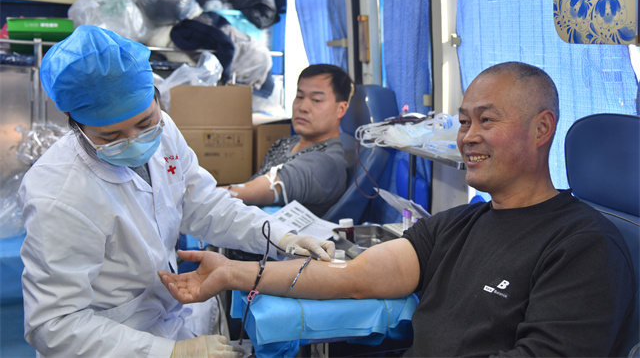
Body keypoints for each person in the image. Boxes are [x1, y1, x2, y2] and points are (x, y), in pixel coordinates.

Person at [159, 61, 636, 357]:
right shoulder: (458, 224)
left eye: (487, 121)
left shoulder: (584, 247)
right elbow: (354, 277)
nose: (468, 137)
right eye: (463, 121)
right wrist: (232, 273)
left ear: (542, 129)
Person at [18, 25, 334, 358]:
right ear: (75, 122)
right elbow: (53, 325)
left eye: (144, 122)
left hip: (167, 316)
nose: (135, 141)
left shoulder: (164, 131)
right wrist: (170, 353)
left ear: (156, 96)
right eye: (111, 137)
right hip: (109, 342)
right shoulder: (58, 193)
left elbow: (204, 204)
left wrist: (282, 236)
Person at [224, 63, 353, 217]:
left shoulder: (326, 163)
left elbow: (257, 190)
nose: (302, 107)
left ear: (341, 109)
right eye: (299, 97)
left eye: (316, 100)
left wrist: (207, 196)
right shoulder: (284, 143)